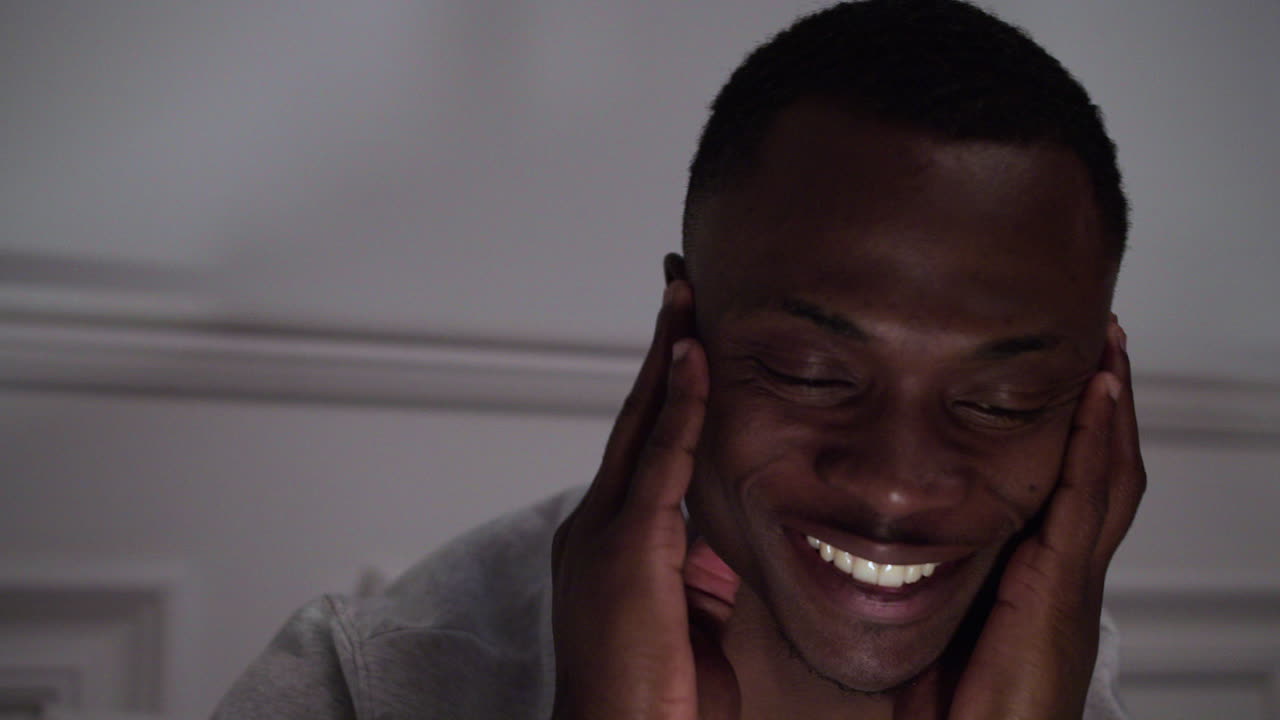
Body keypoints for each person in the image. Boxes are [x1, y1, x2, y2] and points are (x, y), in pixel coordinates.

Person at [213, 1, 1145, 718]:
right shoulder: (366, 685)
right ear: (682, 336)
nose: (898, 488)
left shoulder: (1064, 675)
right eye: (810, 374)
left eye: (1005, 400)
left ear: (1097, 398)